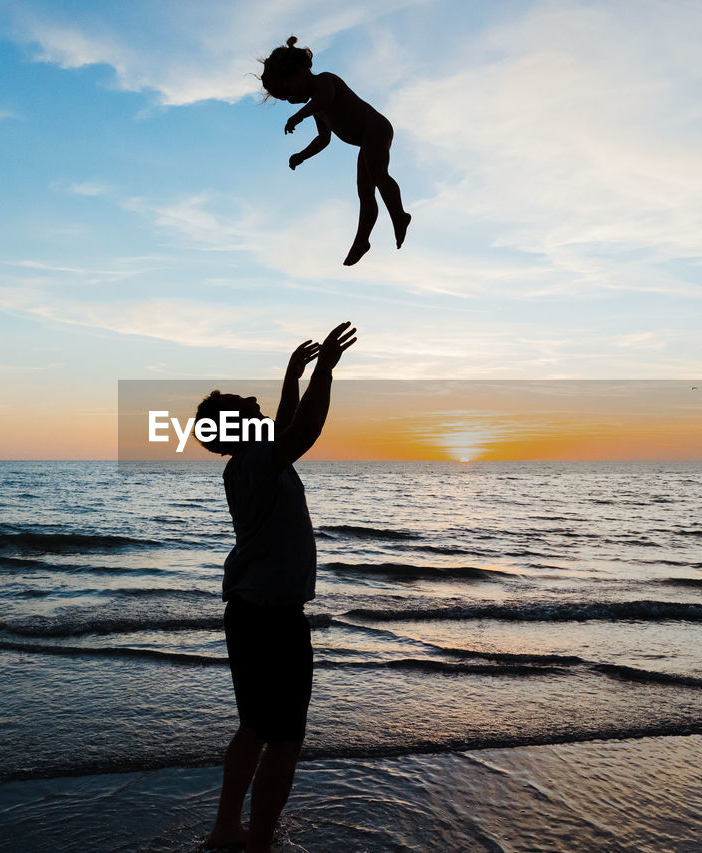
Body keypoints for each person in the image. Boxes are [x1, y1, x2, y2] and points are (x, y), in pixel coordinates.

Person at [199, 322, 358, 853]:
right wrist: (325, 373)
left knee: (255, 728)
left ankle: (227, 830)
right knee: (284, 738)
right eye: (250, 408)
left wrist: (295, 374)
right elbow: (304, 428)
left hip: (252, 611)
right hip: (270, 617)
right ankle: (258, 844)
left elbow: (287, 425)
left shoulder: (251, 460)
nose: (259, 408)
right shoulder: (260, 461)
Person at [261, 36, 411, 266]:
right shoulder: (318, 109)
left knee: (379, 175)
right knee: (365, 193)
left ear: (299, 72)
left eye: (289, 92)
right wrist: (302, 155)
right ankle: (363, 241)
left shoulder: (324, 81)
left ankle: (399, 216)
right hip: (364, 140)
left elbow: (326, 98)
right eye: (286, 99)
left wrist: (300, 115)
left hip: (375, 128)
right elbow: (323, 139)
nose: (291, 101)